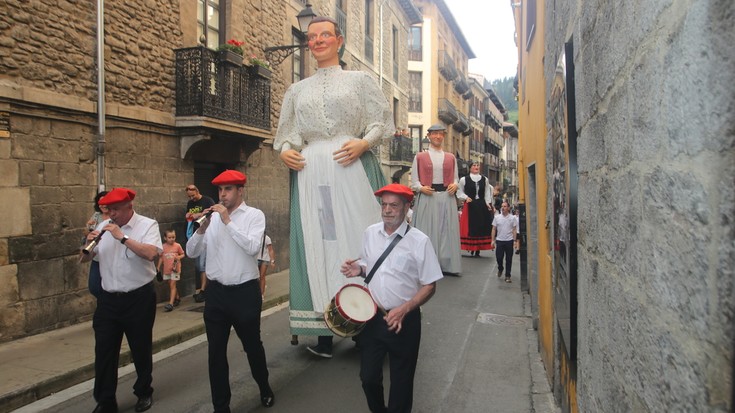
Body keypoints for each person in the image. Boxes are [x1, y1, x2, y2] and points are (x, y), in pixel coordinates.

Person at [274, 15, 392, 358]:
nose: (318, 40)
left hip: (351, 168)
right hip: (313, 178)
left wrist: (363, 143)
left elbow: (381, 121)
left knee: (360, 240)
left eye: (325, 34)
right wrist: (285, 151)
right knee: (321, 243)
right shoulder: (296, 91)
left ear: (339, 40)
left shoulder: (360, 80)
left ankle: (365, 325)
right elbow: (287, 134)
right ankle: (326, 330)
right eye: (312, 37)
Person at [340, 183, 443, 413]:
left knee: (402, 384)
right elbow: (370, 265)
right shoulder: (370, 233)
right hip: (374, 318)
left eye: (394, 205)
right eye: (384, 204)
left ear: (407, 207)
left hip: (405, 321)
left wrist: (405, 308)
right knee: (368, 378)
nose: (387, 210)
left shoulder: (419, 241)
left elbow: (430, 285)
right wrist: (359, 270)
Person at [186, 169, 275, 411]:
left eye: (228, 190)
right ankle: (221, 407)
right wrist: (201, 229)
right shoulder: (211, 219)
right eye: (220, 190)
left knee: (252, 347)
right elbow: (191, 252)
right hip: (216, 295)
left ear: (240, 191)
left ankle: (264, 386)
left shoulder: (254, 216)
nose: (222, 195)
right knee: (215, 353)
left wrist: (227, 220)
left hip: (245, 293)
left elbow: (252, 247)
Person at [80, 188, 162, 413]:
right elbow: (83, 259)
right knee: (105, 351)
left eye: (115, 209)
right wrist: (88, 245)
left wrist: (123, 237)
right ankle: (106, 401)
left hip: (138, 298)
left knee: (140, 348)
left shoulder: (147, 225)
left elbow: (151, 254)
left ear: (129, 207)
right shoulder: (102, 227)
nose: (111, 214)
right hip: (108, 300)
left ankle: (144, 391)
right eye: (108, 210)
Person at [409, 123, 462, 275]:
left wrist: (455, 185)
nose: (438, 136)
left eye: (441, 134)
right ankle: (425, 263)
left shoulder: (451, 157)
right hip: (428, 196)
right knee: (426, 230)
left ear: (443, 136)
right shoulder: (420, 157)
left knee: (446, 229)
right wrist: (421, 188)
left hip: (446, 197)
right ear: (429, 136)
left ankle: (446, 264)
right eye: (435, 133)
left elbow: (456, 178)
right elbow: (414, 180)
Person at [457, 161, 494, 257]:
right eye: (474, 165)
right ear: (470, 168)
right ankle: (471, 247)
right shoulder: (463, 179)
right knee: (470, 227)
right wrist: (465, 197)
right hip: (470, 205)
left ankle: (478, 249)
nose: (476, 167)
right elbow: (459, 192)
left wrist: (488, 203)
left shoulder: (484, 179)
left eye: (477, 165)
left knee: (480, 226)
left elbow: (487, 193)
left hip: (481, 205)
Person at [185, 184, 216, 303]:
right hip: (195, 235)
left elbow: (212, 214)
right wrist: (189, 216)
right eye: (189, 196)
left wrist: (196, 215)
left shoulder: (207, 200)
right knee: (198, 265)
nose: (191, 198)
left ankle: (203, 290)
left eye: (193, 195)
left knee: (202, 265)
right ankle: (204, 289)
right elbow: (188, 215)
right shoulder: (190, 203)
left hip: (206, 236)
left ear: (197, 191)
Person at [85, 190, 109, 298]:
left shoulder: (115, 216)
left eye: (105, 202)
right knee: (94, 287)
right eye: (100, 203)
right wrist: (88, 228)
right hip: (97, 257)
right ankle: (104, 304)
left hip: (110, 257)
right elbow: (88, 232)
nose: (103, 205)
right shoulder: (96, 215)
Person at [491, 201, 520, 283]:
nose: (503, 208)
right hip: (499, 240)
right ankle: (500, 268)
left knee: (509, 259)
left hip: (509, 241)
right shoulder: (497, 217)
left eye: (505, 206)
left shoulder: (512, 218)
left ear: (508, 208)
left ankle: (508, 275)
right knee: (499, 258)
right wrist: (492, 240)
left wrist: (514, 241)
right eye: (502, 206)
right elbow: (494, 229)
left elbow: (514, 229)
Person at [157, 229, 185, 312]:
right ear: (165, 238)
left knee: (172, 284)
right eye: (169, 237)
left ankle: (170, 304)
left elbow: (183, 254)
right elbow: (161, 257)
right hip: (167, 269)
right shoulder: (163, 247)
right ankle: (177, 298)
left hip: (175, 269)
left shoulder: (177, 246)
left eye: (173, 237)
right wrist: (158, 267)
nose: (172, 239)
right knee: (171, 285)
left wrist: (179, 257)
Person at [256, 233, 275, 299]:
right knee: (256, 277)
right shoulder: (254, 236)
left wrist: (272, 261)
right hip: (256, 258)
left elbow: (270, 250)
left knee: (262, 276)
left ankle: (261, 294)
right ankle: (258, 291)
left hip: (265, 259)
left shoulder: (267, 238)